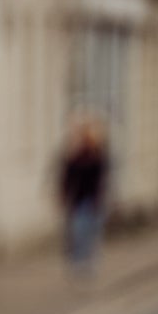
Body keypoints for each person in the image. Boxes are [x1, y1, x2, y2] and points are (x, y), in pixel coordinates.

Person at [58, 112, 110, 275]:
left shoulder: (98, 155)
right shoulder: (74, 156)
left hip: (93, 200)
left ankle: (89, 263)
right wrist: (64, 194)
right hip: (79, 199)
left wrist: (100, 197)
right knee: (78, 231)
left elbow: (102, 177)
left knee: (91, 232)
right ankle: (77, 263)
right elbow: (66, 176)